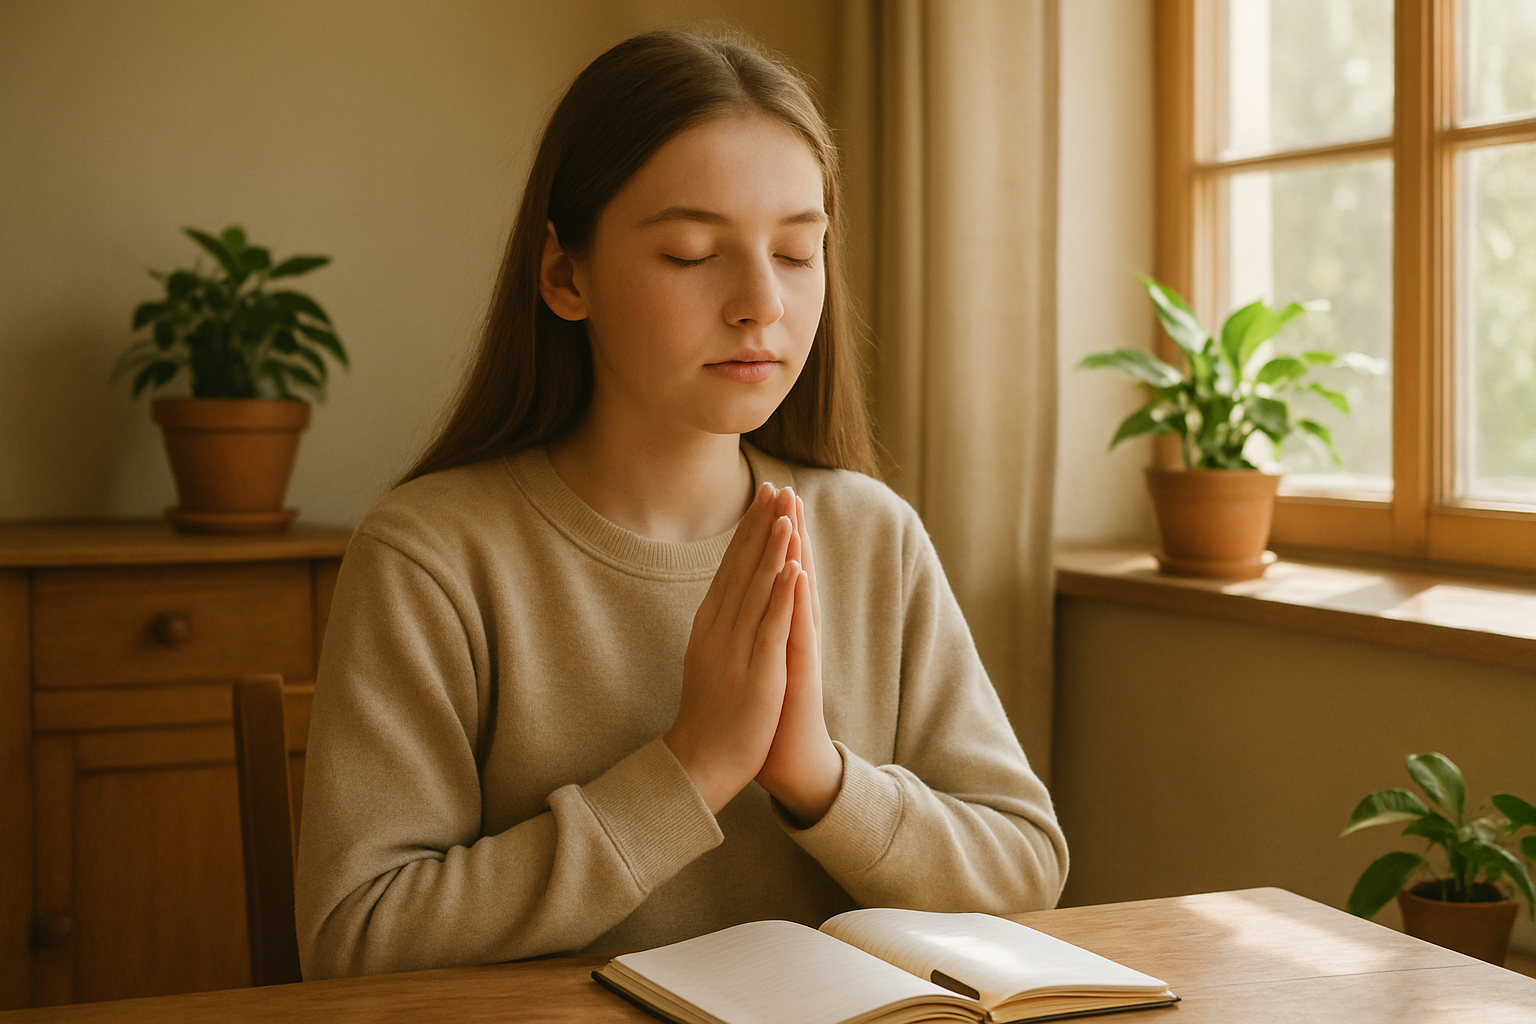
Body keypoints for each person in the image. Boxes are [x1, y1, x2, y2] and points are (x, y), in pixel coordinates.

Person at [294, 28, 1067, 981]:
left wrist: (818, 777)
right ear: (565, 275)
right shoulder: (433, 554)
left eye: (796, 252)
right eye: (694, 253)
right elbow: (356, 939)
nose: (760, 303)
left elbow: (1026, 867)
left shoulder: (874, 536)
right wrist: (692, 766)